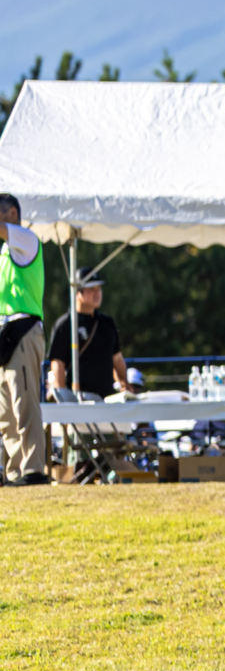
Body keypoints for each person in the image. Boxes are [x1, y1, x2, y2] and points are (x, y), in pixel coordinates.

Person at [0, 195, 46, 486]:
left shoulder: (26, 239)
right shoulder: (6, 251)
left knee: (25, 403)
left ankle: (33, 470)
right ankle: (15, 472)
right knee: (6, 411)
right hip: (6, 332)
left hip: (24, 329)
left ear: (13, 213)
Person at [48, 275, 123, 398]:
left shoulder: (107, 323)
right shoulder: (65, 324)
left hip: (107, 398)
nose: (97, 293)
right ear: (77, 293)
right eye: (91, 289)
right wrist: (63, 397)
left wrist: (124, 383)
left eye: (99, 289)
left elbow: (117, 358)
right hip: (79, 399)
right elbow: (58, 363)